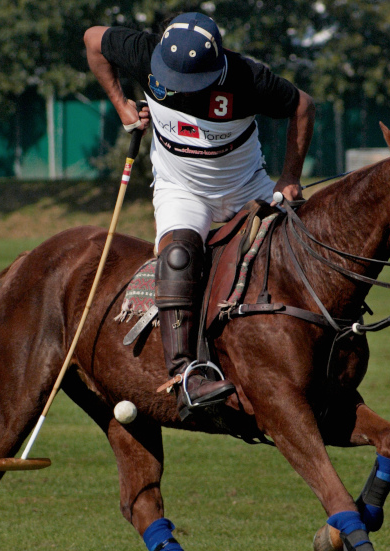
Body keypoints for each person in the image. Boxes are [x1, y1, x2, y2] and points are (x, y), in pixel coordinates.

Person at [85, 12, 315, 419]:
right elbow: (92, 39)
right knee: (177, 256)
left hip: (248, 187)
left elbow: (302, 105)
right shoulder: (145, 52)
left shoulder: (247, 77)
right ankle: (186, 374)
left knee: (300, 247)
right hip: (182, 190)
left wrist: (290, 177)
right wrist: (121, 104)